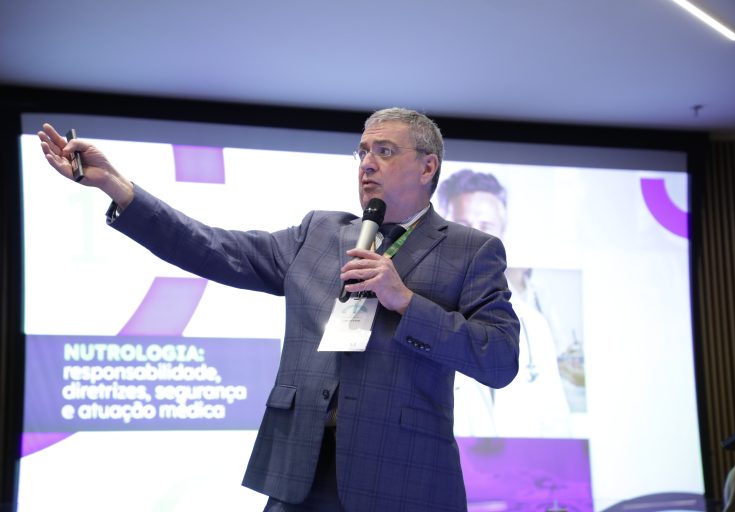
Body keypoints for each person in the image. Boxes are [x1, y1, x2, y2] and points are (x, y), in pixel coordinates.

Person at [38, 108, 520, 512]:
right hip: (299, 474)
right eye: (362, 152)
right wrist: (117, 186)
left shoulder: (471, 250)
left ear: (427, 166)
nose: (367, 164)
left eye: (385, 151)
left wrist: (407, 302)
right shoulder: (320, 233)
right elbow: (212, 247)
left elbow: (499, 358)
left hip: (403, 481)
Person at [437, 169, 570, 437]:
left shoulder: (533, 325)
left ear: (502, 234)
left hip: (523, 463)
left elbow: (557, 424)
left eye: (486, 227)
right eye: (462, 225)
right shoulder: (419, 315)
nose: (474, 238)